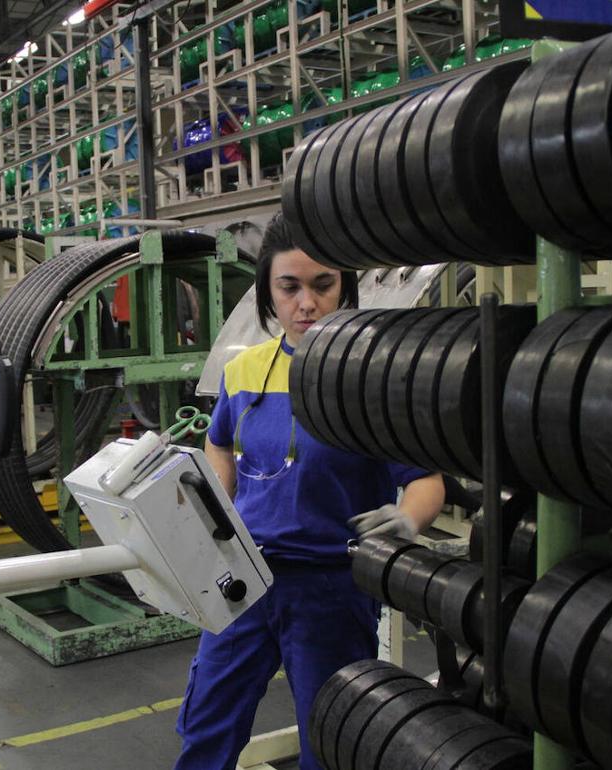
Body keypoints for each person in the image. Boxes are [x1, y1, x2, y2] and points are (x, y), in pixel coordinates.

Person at [174, 214, 445, 770]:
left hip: (329, 588)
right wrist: (216, 509)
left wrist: (407, 520)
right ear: (268, 293)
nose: (306, 304)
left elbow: (424, 478)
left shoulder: (371, 380)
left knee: (328, 737)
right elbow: (220, 442)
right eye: (289, 287)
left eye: (322, 285)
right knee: (207, 725)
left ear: (344, 286)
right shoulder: (243, 369)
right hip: (242, 578)